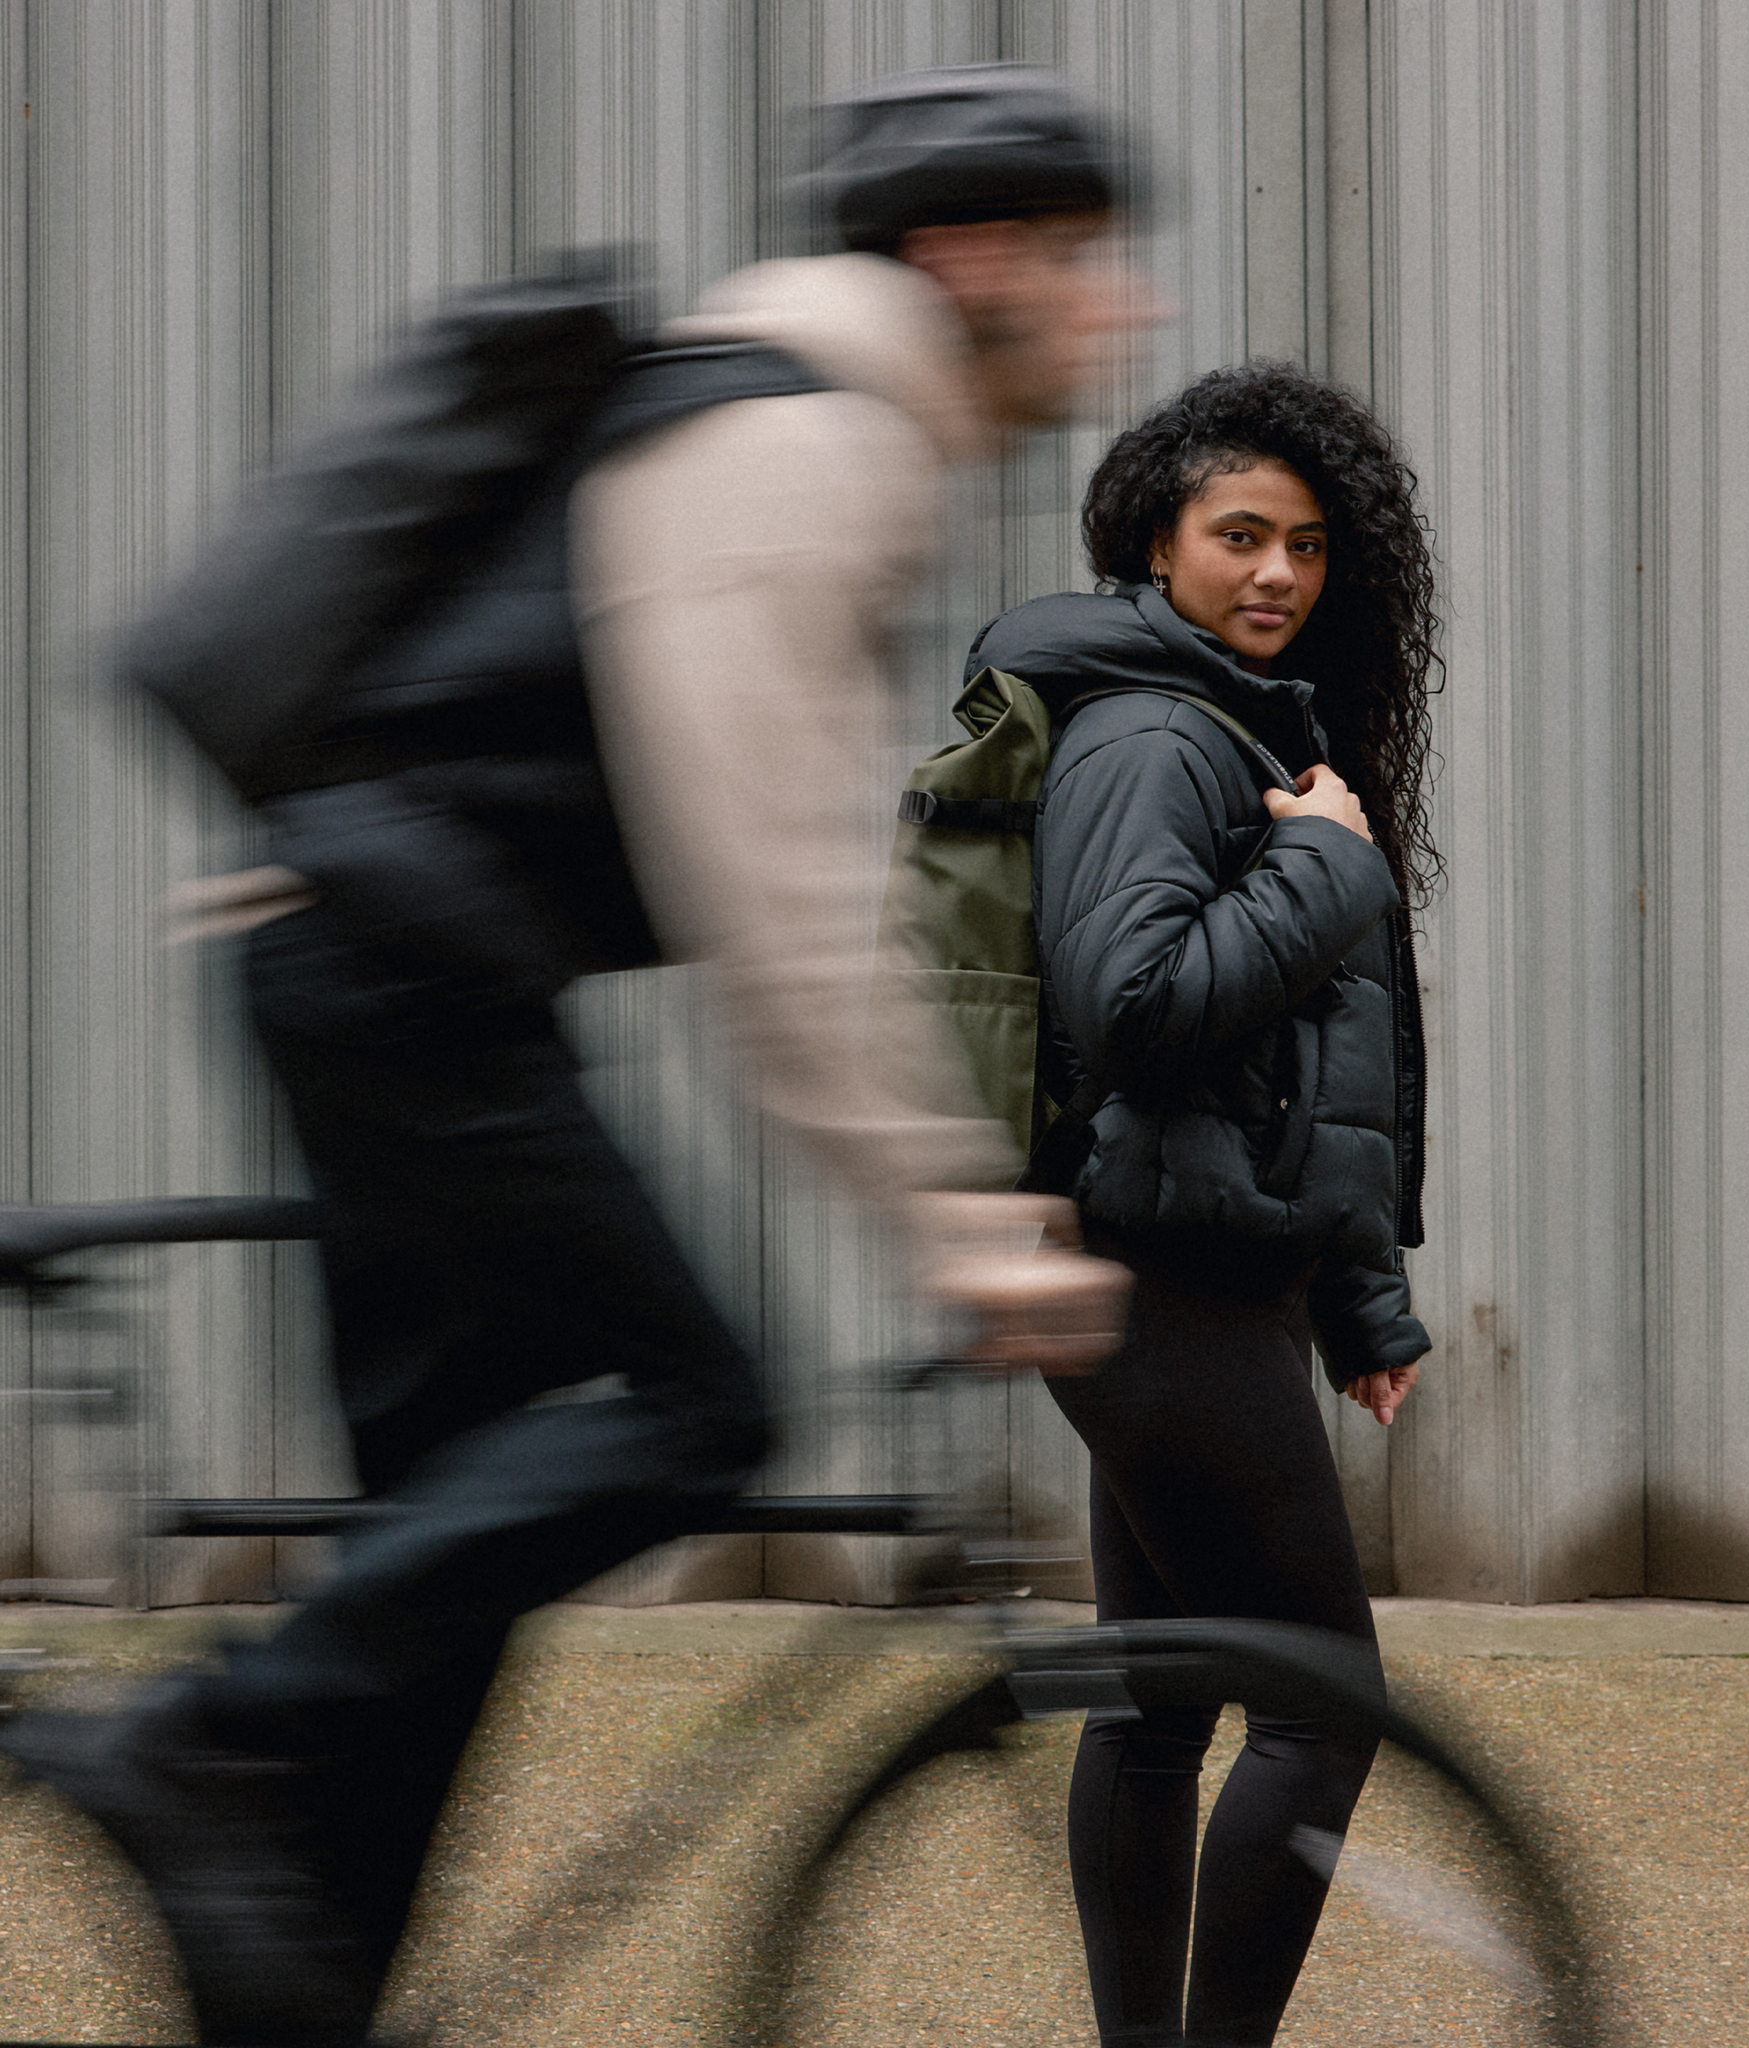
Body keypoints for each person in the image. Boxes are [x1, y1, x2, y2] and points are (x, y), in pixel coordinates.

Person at [1, 66, 1142, 2048]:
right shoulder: (805, 436)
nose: (1115, 310)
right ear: (970, 255)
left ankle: (288, 1982)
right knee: (699, 1408)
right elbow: (776, 889)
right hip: (398, 977)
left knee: (441, 1582)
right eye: (1082, 262)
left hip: (374, 959)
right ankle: (202, 1737)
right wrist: (949, 1220)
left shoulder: (783, 402)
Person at [965, 360, 1441, 2048]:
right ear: (1155, 543)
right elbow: (1140, 1007)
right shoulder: (1155, 733)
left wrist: (1360, 1302)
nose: (1277, 576)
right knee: (1323, 1709)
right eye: (1239, 535)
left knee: (1162, 1701)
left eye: (1308, 546)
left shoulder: (1241, 726)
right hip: (1161, 1284)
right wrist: (1331, 865)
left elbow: (1301, 1085)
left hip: (1199, 1270)